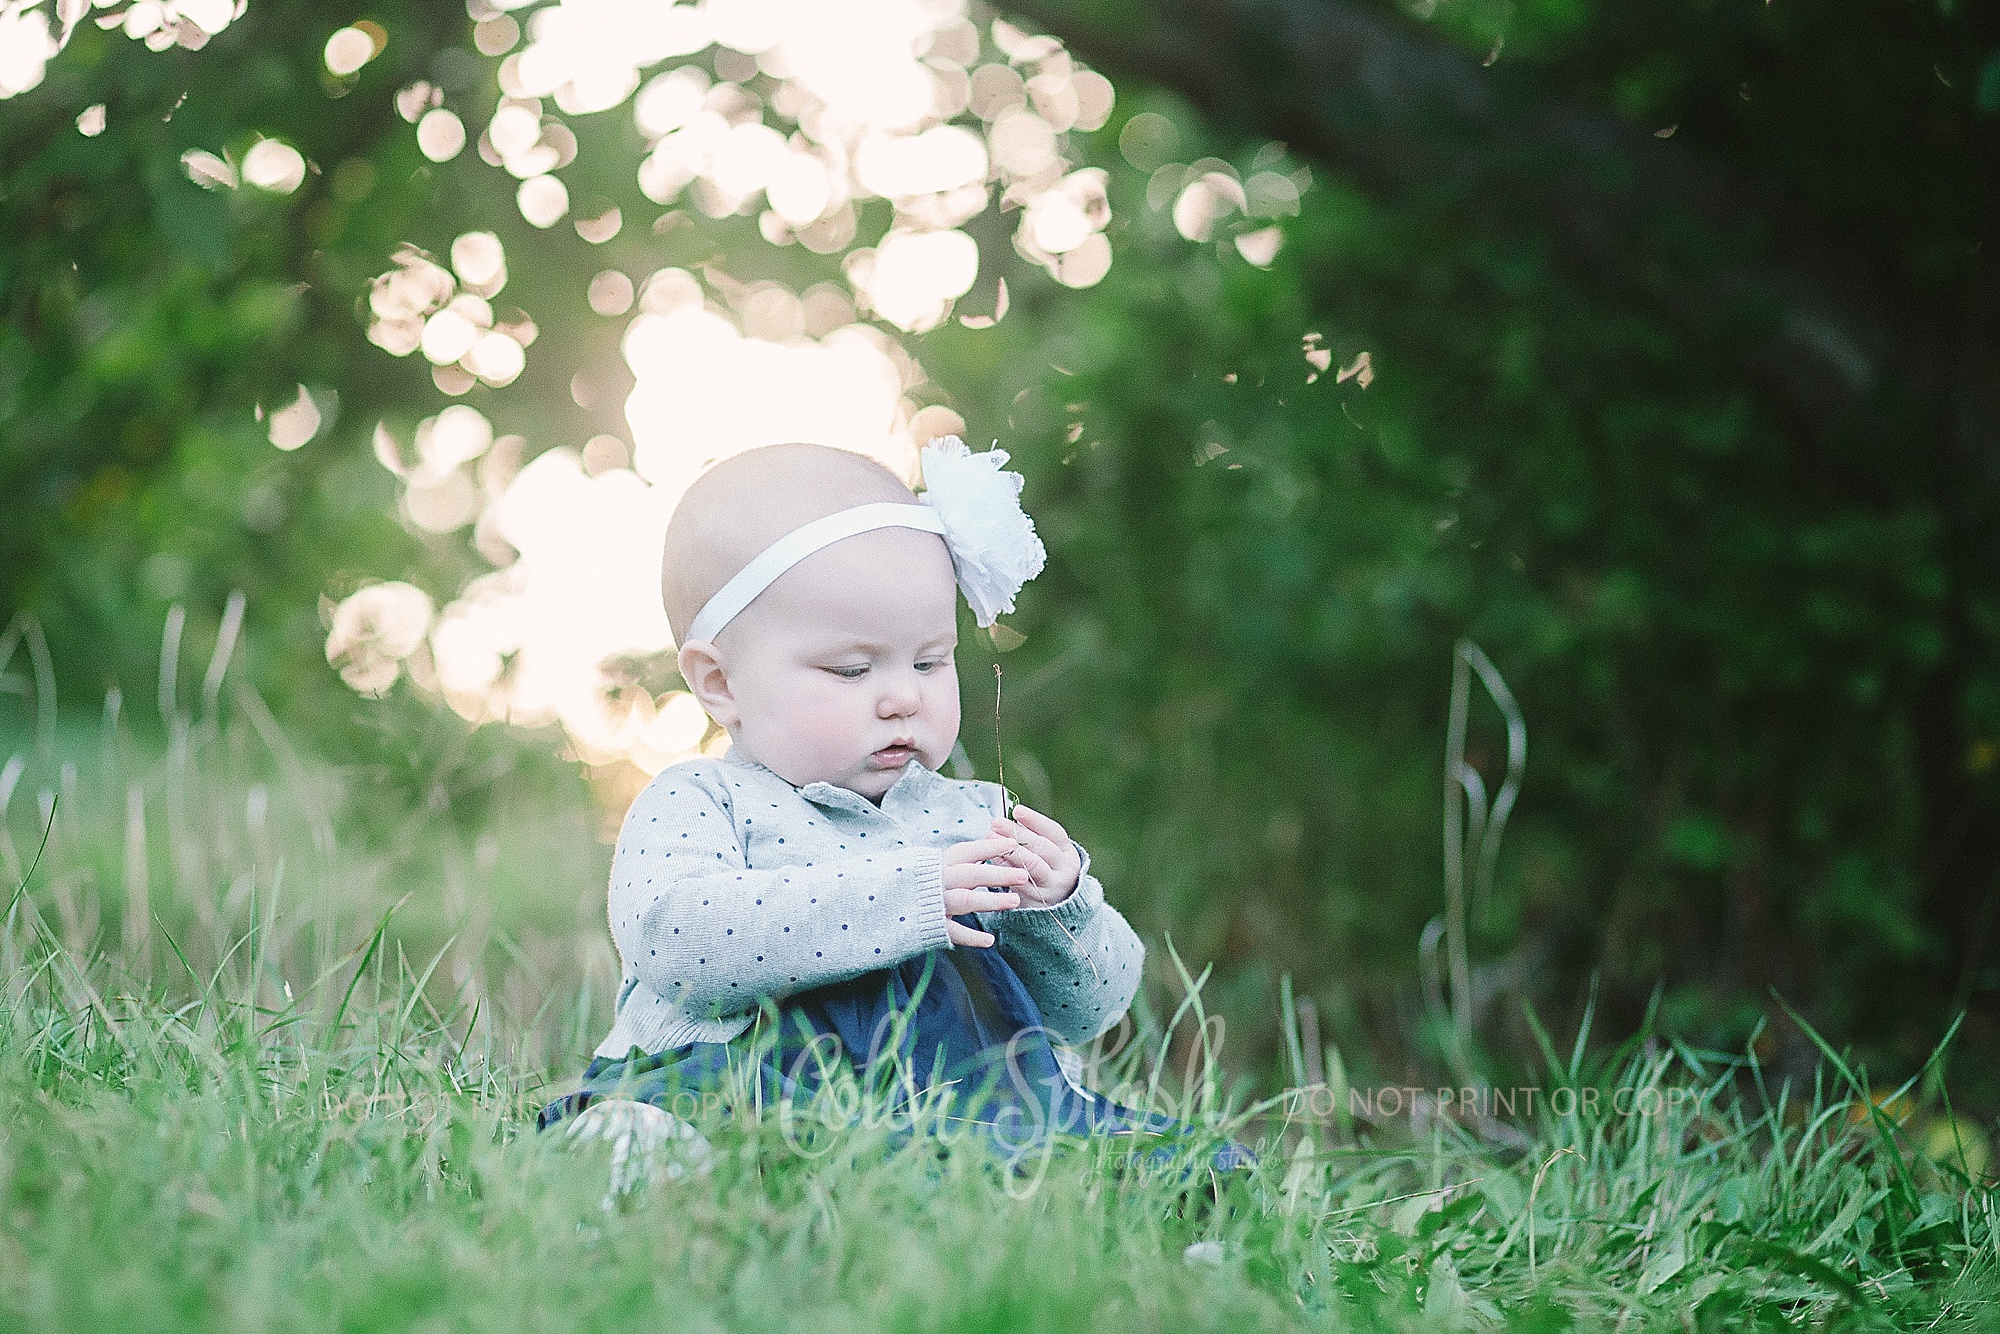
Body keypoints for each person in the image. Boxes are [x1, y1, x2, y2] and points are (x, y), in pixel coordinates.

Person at [538, 437, 1252, 1183]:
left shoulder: (976, 818)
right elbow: (678, 940)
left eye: (930, 661)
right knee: (645, 1139)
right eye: (852, 668)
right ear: (720, 683)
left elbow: (1089, 1011)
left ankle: (1166, 1227)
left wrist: (1061, 907)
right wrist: (903, 898)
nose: (903, 696)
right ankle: (643, 1175)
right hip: (749, 1093)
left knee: (1174, 1164)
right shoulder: (705, 800)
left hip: (968, 1116)